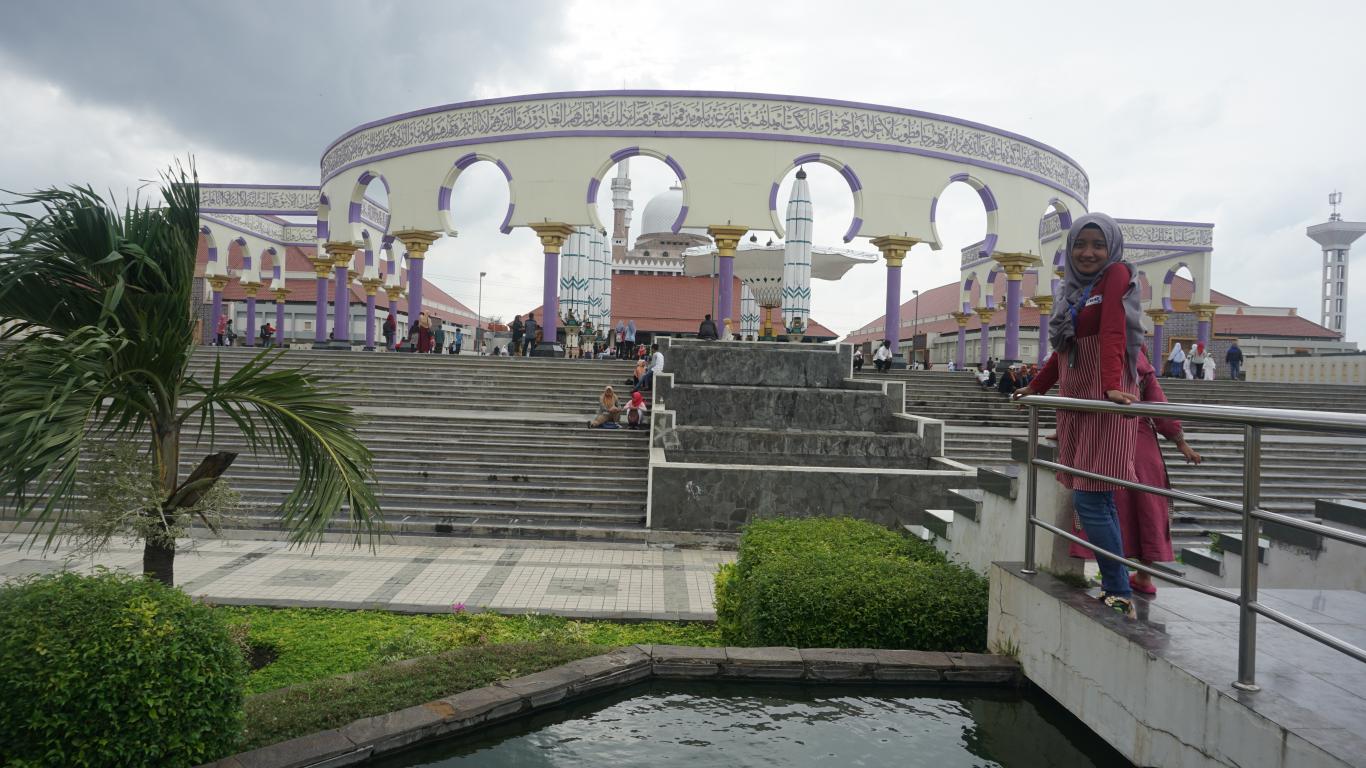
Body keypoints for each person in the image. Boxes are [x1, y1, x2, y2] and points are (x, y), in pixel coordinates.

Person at [1013, 212, 1144, 617]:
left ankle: (1119, 590)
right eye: (1079, 245)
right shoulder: (1075, 291)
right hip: (1077, 400)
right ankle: (1115, 587)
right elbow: (1064, 350)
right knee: (1093, 496)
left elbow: (1112, 333)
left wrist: (1109, 386)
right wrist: (1035, 387)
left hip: (1104, 398)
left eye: (1097, 244)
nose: (1088, 253)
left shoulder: (1117, 275)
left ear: (1112, 248)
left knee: (1092, 496)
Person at [1067, 352, 1203, 595]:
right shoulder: (1142, 367)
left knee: (1106, 509)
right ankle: (1143, 575)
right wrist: (1181, 442)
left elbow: (1077, 398)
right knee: (1149, 508)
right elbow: (1160, 408)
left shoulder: (1098, 357)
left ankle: (1115, 576)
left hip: (1106, 440)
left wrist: (1065, 432)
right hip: (1142, 446)